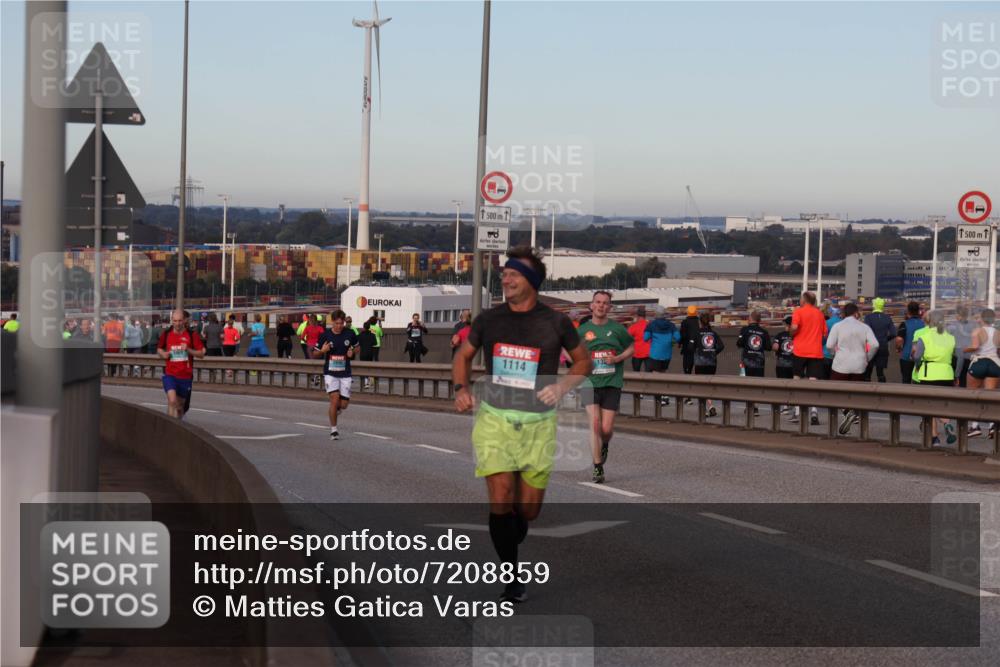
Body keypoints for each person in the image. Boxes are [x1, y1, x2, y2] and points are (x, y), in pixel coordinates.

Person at [452, 246, 590, 603]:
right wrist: (461, 388)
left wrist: (561, 386)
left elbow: (582, 363)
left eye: (513, 274)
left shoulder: (557, 322)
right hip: (495, 418)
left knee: (527, 510)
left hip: (538, 423)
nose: (506, 278)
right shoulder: (489, 319)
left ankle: (517, 524)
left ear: (531, 281)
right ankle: (511, 578)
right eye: (505, 274)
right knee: (500, 495)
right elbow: (464, 355)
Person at [578, 290, 634, 484]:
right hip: (589, 383)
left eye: (605, 303)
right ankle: (597, 467)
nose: (601, 305)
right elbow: (570, 351)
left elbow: (631, 347)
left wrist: (617, 358)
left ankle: (605, 443)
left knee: (606, 428)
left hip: (612, 382)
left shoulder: (617, 329)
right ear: (591, 305)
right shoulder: (582, 330)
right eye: (598, 302)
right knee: (595, 425)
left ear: (609, 307)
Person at [827, 303, 879, 434]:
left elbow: (829, 345)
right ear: (856, 313)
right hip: (859, 364)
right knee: (855, 392)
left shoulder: (837, 326)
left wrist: (835, 354)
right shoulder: (864, 327)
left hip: (841, 364)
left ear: (844, 313)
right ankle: (853, 413)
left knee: (837, 391)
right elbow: (875, 344)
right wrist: (867, 358)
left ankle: (846, 411)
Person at [911, 310, 957, 446]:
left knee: (929, 407)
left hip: (929, 374)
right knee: (943, 404)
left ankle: (934, 438)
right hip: (947, 374)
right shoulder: (950, 337)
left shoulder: (925, 337)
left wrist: (918, 365)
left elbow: (917, 356)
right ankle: (947, 424)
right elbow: (955, 356)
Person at [313, 309, 359, 440]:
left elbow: (357, 347)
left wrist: (353, 352)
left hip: (345, 373)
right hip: (330, 373)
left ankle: (337, 409)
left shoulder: (350, 333)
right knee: (334, 399)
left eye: (341, 323)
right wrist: (322, 351)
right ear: (332, 322)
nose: (339, 326)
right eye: (337, 323)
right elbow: (314, 354)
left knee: (343, 405)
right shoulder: (325, 335)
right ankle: (334, 430)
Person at [157, 309, 205, 419]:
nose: (177, 323)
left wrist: (188, 350)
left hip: (185, 376)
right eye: (175, 321)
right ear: (171, 321)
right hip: (170, 374)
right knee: (172, 400)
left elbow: (202, 353)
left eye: (179, 321)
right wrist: (163, 354)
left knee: (179, 407)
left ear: (184, 320)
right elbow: (159, 349)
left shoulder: (192, 335)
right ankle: (170, 428)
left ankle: (178, 426)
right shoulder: (167, 333)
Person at [789, 291, 827, 425]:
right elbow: (824, 334)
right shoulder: (820, 314)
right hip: (816, 352)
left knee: (797, 380)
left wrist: (792, 333)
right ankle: (814, 411)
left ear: (804, 300)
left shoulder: (798, 312)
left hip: (800, 351)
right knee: (813, 383)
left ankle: (798, 411)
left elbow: (794, 327)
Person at [965, 308, 1000, 439]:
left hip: (979, 362)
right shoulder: (998, 332)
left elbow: (974, 347)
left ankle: (975, 426)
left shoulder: (977, 331)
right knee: (990, 396)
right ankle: (992, 426)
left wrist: (964, 349)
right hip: (995, 363)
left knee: (974, 395)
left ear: (982, 319)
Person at [736, 310, 771, 416]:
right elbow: (768, 347)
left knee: (748, 385)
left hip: (747, 361)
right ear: (759, 320)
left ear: (750, 319)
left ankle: (749, 406)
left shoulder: (744, 330)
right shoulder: (764, 332)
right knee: (757, 385)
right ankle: (756, 408)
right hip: (759, 361)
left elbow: (739, 343)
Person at [693, 311, 725, 418]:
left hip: (700, 363)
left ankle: (706, 409)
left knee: (701, 386)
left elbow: (690, 347)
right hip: (712, 362)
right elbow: (721, 346)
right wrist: (713, 352)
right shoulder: (713, 333)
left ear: (700, 322)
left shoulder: (697, 333)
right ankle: (710, 406)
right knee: (708, 385)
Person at [863, 297, 895, 383]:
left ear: (874, 305)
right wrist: (885, 339)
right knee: (880, 373)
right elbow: (893, 333)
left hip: (870, 346)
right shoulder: (888, 318)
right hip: (883, 346)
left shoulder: (868, 317)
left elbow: (866, 331)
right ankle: (882, 392)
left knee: (868, 372)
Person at [895, 301, 925, 385]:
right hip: (921, 356)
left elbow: (899, 340)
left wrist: (898, 348)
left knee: (906, 380)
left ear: (908, 311)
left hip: (906, 356)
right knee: (919, 380)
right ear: (918, 311)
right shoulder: (924, 324)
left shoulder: (904, 324)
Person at [948, 305, 976, 388]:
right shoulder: (972, 326)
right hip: (968, 358)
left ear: (958, 315)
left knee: (955, 383)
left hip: (957, 357)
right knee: (965, 384)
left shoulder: (952, 327)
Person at [772, 316, 795, 413]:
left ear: (787, 325)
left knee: (783, 385)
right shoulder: (796, 335)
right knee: (793, 385)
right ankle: (794, 404)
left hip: (781, 364)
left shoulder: (780, 335)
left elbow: (775, 347)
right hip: (793, 363)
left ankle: (785, 406)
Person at [626, 308, 651, 372]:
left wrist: (631, 324)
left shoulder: (634, 326)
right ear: (645, 316)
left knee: (636, 372)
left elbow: (626, 337)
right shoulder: (650, 325)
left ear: (637, 316)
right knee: (649, 374)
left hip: (637, 352)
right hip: (649, 352)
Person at [679, 305, 701, 377]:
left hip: (687, 347)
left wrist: (680, 343)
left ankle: (687, 375)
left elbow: (682, 335)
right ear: (696, 312)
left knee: (687, 367)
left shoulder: (684, 322)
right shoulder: (699, 322)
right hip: (698, 347)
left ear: (687, 312)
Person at [821, 305, 842, 380]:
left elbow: (822, 339)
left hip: (826, 353)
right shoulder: (843, 323)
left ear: (830, 313)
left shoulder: (826, 323)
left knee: (825, 378)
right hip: (839, 354)